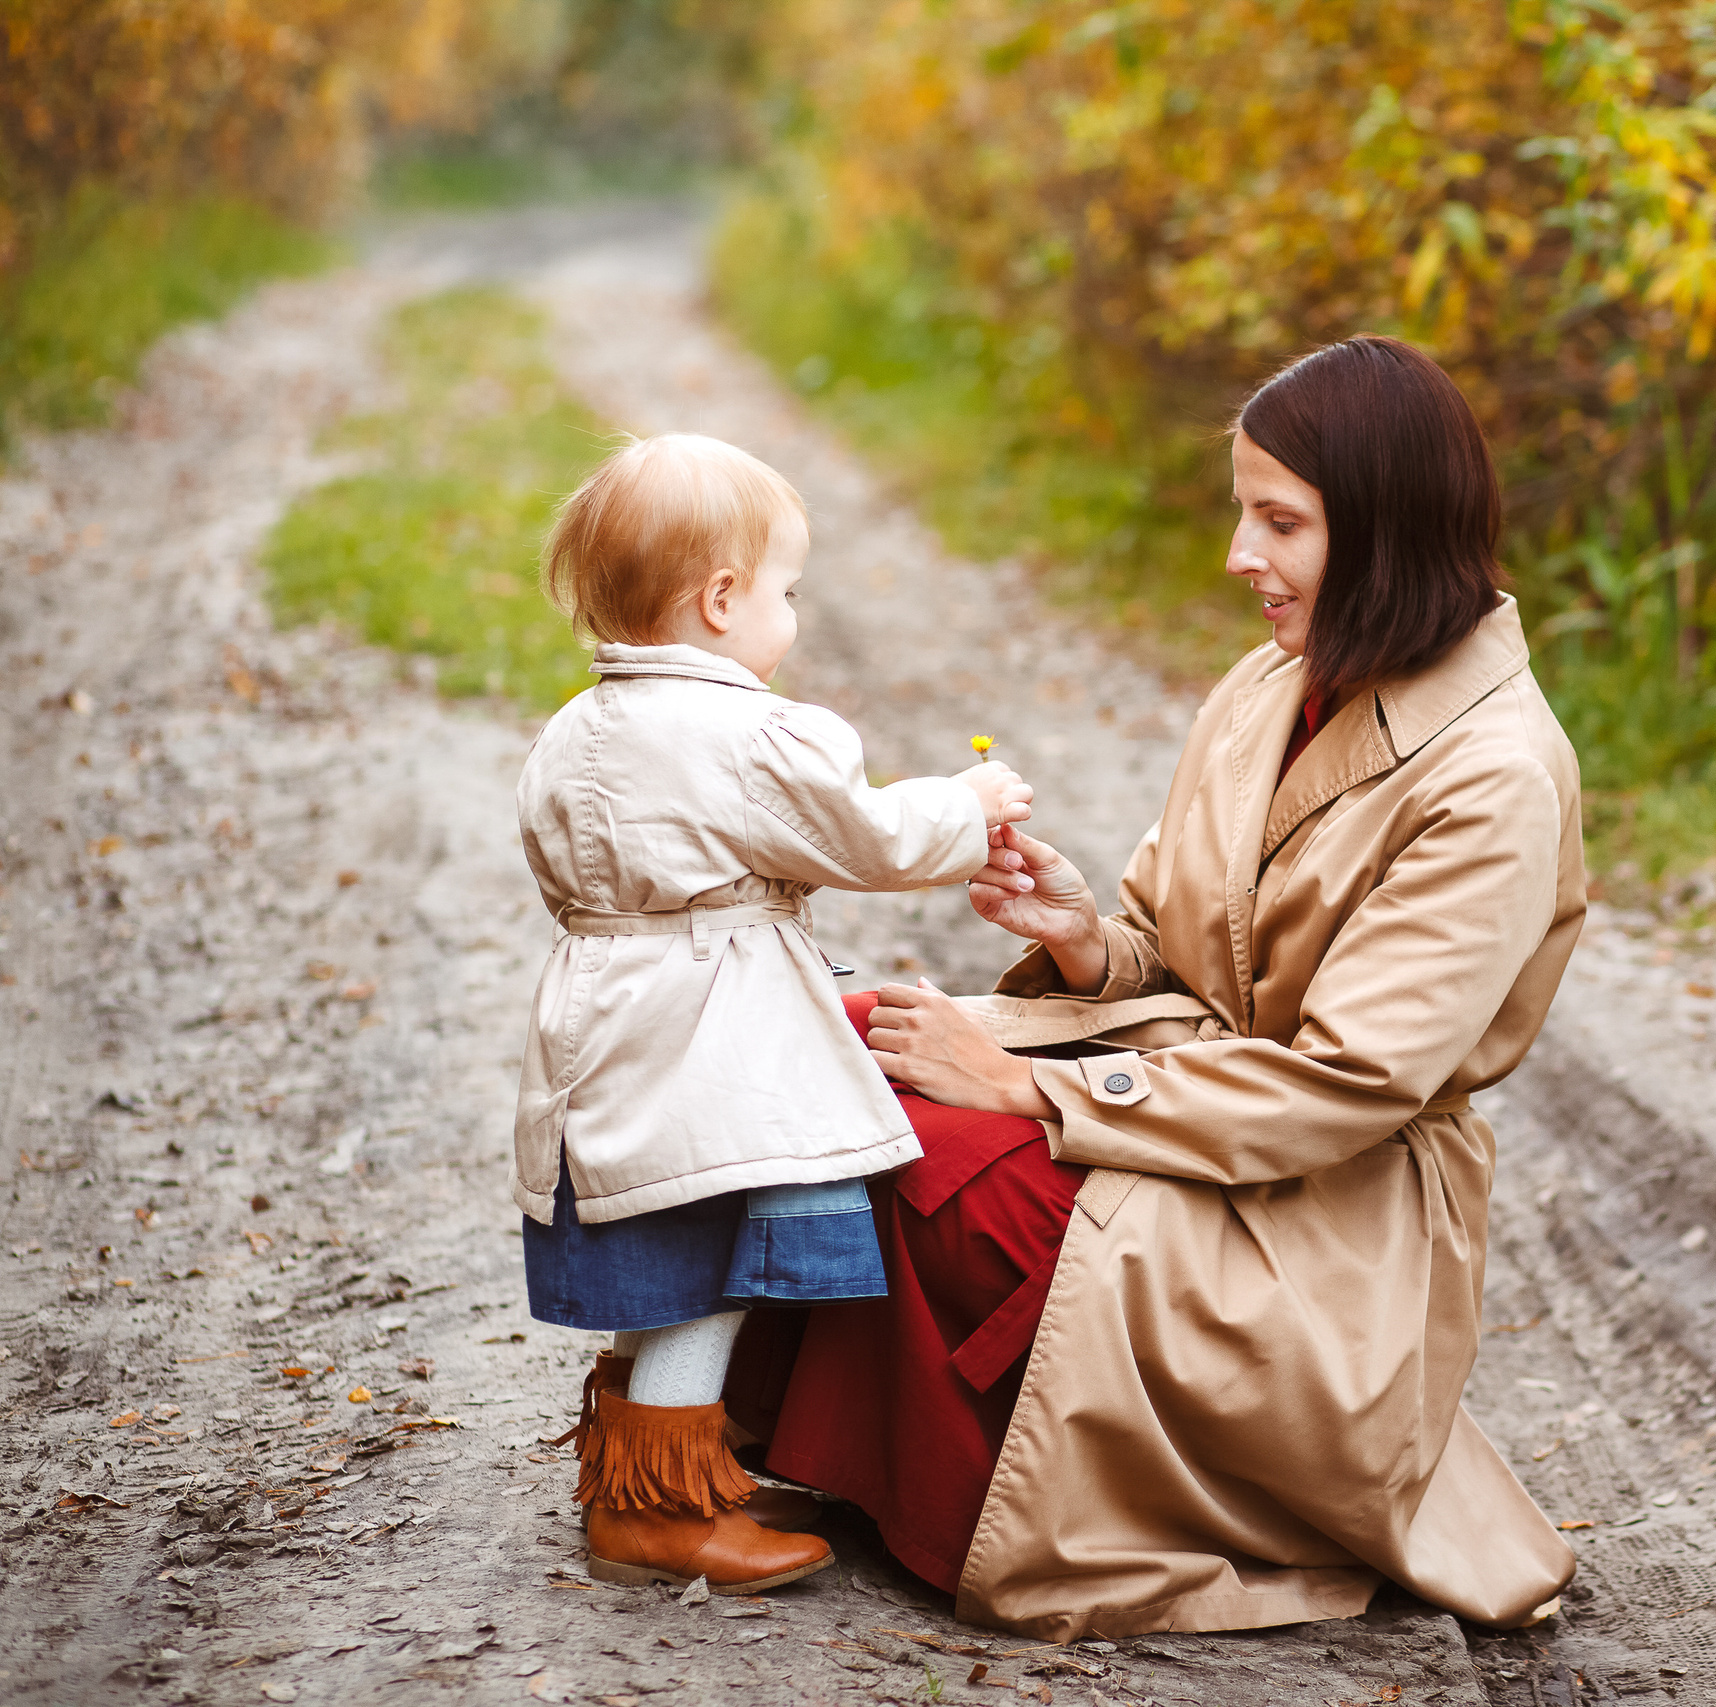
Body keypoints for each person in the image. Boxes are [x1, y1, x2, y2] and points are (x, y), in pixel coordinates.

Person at [754, 336, 1586, 1639]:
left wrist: (1029, 1084)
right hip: (1200, 1104)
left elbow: (1346, 1081)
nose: (1238, 554)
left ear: (1388, 526)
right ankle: (726, 1437)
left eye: (1280, 521)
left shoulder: (1494, 774)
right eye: (1244, 511)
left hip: (1331, 1201)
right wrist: (1089, 939)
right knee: (837, 1040)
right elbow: (1178, 943)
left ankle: (975, 1495)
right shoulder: (1269, 685)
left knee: (930, 1135)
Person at [511, 433, 1038, 1595]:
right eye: (785, 593)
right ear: (720, 601)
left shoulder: (570, 733)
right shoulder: (749, 736)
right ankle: (664, 1515)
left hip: (602, 1015)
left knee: (649, 1229)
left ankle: (635, 1480)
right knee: (718, 1254)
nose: (790, 614)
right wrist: (968, 802)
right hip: (717, 1027)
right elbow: (870, 838)